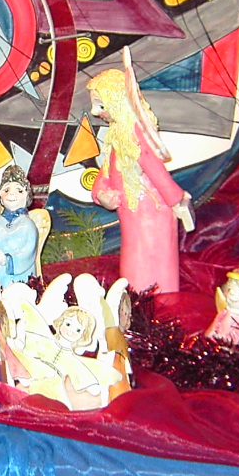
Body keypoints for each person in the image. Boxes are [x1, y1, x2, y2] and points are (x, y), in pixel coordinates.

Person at [86, 49, 193, 294]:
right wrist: (100, 193)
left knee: (150, 254)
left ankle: (157, 299)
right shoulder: (116, 134)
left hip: (149, 207)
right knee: (136, 253)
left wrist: (176, 199)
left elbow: (155, 171)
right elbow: (106, 171)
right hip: (132, 209)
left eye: (101, 105)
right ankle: (140, 297)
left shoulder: (135, 134)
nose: (95, 112)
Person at [0, 165, 45, 292]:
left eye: (19, 190)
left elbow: (28, 250)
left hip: (21, 278)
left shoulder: (28, 225)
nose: (11, 194)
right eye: (6, 190)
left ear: (27, 196)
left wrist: (8, 260)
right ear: (0, 196)